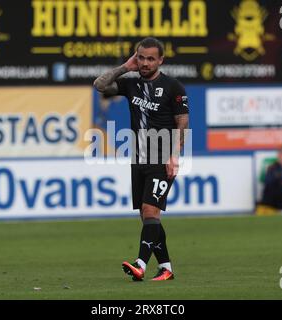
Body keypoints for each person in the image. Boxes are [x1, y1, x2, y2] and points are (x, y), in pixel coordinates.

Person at [93, 37, 189, 281]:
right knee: (148, 217)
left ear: (160, 60)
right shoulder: (131, 84)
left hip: (162, 157)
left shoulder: (173, 87)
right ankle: (166, 267)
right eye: (141, 58)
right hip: (139, 158)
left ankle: (140, 265)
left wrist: (175, 157)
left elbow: (182, 124)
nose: (145, 63)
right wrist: (125, 67)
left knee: (150, 211)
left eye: (150, 58)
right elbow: (100, 85)